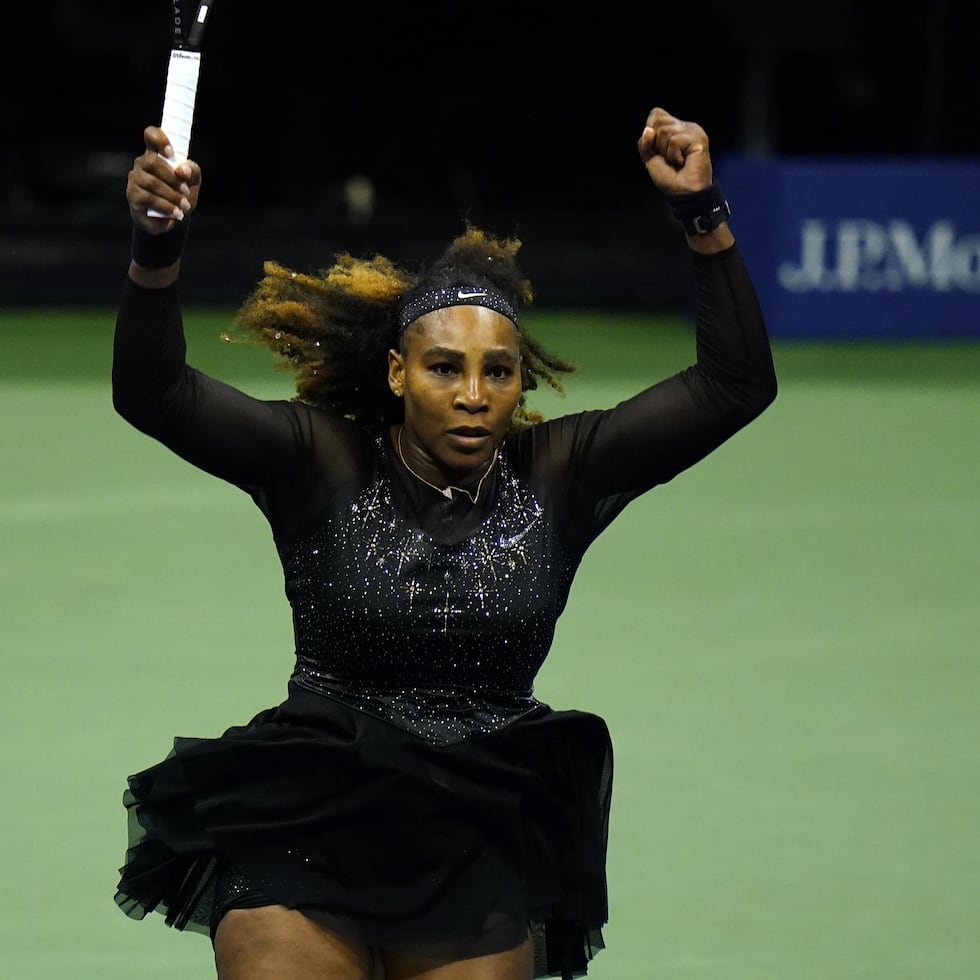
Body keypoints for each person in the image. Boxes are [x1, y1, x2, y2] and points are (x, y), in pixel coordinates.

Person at [112, 105, 777, 980]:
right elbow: (154, 394)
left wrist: (703, 214)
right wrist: (157, 248)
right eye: (443, 367)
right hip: (310, 813)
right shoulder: (320, 459)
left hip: (479, 823)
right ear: (397, 373)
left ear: (517, 382)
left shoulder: (559, 473)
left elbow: (735, 385)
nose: (473, 394)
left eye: (497, 372)